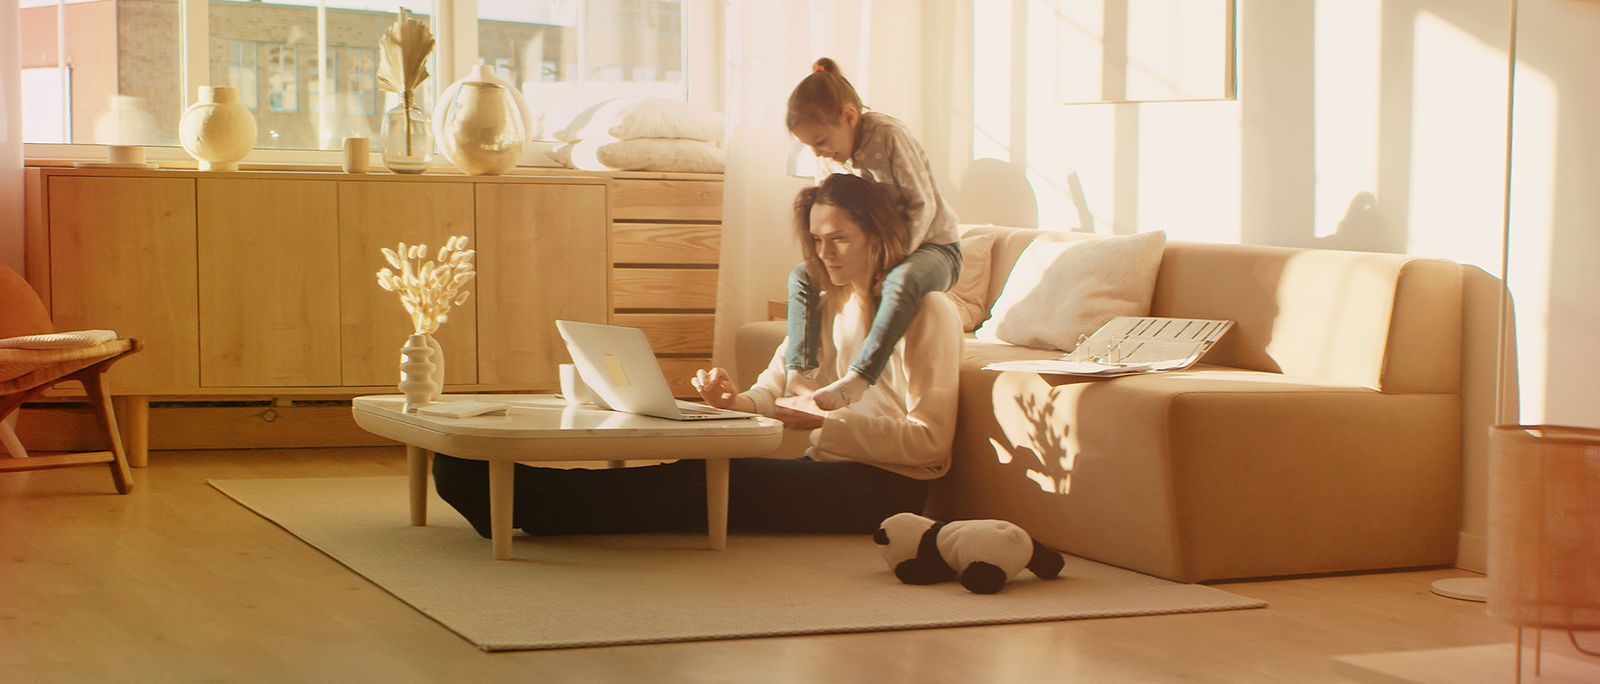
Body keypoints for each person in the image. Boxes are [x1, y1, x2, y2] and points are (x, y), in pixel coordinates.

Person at [431, 173, 963, 538]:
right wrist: (735, 400)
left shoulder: (927, 312)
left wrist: (822, 422)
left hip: (885, 492)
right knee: (701, 469)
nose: (825, 254)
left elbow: (931, 445)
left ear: (879, 238)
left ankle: (527, 503)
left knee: (716, 484)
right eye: (818, 240)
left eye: (841, 239)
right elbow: (772, 393)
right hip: (827, 468)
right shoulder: (826, 307)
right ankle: (530, 498)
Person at [784, 57, 962, 411]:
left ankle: (860, 378)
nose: (818, 152)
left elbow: (921, 205)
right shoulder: (829, 157)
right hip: (876, 252)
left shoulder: (889, 136)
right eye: (810, 146)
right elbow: (828, 208)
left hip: (932, 247)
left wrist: (887, 261)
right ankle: (800, 371)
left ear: (849, 117)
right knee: (802, 276)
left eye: (820, 140)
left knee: (901, 280)